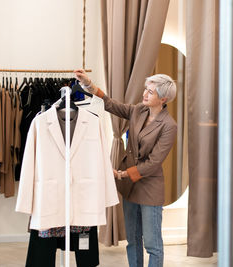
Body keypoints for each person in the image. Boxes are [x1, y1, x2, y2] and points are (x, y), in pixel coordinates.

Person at [74, 69, 177, 267]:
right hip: (130, 187)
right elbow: (111, 104)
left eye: (151, 92)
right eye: (146, 89)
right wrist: (89, 85)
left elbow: (154, 162)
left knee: (153, 245)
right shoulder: (139, 110)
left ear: (163, 98)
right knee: (133, 241)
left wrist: (122, 174)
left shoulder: (168, 126)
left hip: (149, 189)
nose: (145, 94)